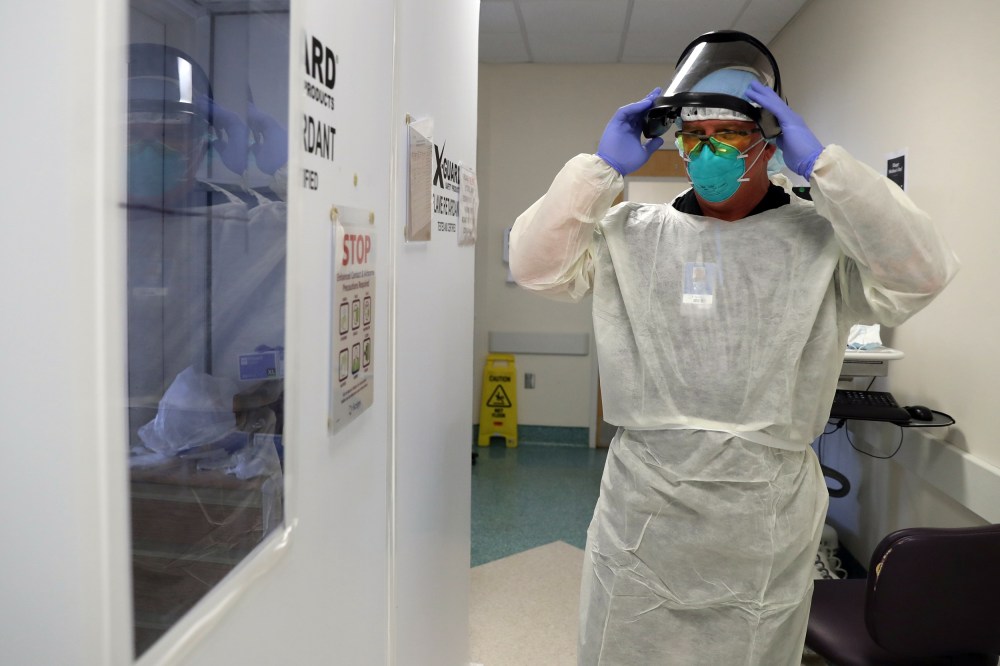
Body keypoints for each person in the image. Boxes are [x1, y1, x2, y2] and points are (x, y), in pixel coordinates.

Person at [509, 30, 958, 665]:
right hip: (644, 513)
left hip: (761, 519)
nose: (707, 152)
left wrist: (824, 168)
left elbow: (923, 271)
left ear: (768, 143)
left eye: (728, 137)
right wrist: (599, 171)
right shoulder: (632, 235)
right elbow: (533, 266)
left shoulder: (818, 239)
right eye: (693, 138)